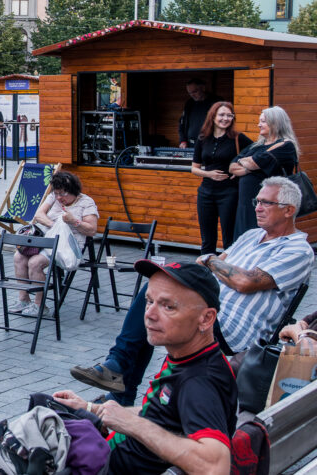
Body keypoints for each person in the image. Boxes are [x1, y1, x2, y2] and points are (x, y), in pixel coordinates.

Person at [71, 177, 313, 407]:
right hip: (208, 309)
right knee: (156, 294)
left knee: (160, 305)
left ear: (288, 210)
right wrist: (213, 265)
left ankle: (119, 382)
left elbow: (243, 281)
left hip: (235, 329)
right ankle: (118, 374)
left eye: (265, 203)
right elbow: (218, 267)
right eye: (257, 201)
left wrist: (209, 259)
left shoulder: (298, 250)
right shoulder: (252, 236)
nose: (258, 207)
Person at [54, 261, 235, 475]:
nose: (149, 314)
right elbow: (163, 416)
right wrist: (91, 409)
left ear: (206, 318)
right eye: (149, 301)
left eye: (168, 306)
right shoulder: (188, 356)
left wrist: (132, 424)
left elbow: (216, 466)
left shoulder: (199, 381)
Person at [11, 170, 98, 315]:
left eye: (62, 193)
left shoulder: (86, 202)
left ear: (73, 191)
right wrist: (55, 226)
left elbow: (92, 230)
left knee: (34, 263)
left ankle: (40, 306)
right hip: (48, 238)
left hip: (67, 246)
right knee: (18, 257)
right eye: (56, 193)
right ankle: (23, 299)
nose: (58, 197)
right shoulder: (54, 197)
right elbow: (38, 215)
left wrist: (74, 222)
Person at [191, 102, 252, 255]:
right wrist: (209, 174)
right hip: (205, 193)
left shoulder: (238, 138)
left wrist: (242, 169)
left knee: (229, 239)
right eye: (222, 115)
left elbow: (258, 154)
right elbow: (194, 168)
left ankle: (228, 275)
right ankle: (205, 274)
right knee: (207, 239)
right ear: (213, 116)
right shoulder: (203, 138)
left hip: (229, 193)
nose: (225, 118)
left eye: (229, 115)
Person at [228, 105, 298, 240]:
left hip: (269, 205)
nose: (259, 125)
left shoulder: (285, 145)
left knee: (263, 239)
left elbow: (253, 163)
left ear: (275, 122)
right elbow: (232, 167)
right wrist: (250, 165)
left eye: (263, 121)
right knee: (244, 239)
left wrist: (248, 164)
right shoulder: (256, 146)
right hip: (246, 205)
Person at [178, 78, 219, 149]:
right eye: (190, 93)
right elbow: (182, 124)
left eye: (195, 92)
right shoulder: (189, 103)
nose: (192, 95)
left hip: (209, 144)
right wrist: (183, 141)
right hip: (191, 144)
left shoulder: (216, 102)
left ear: (203, 88)